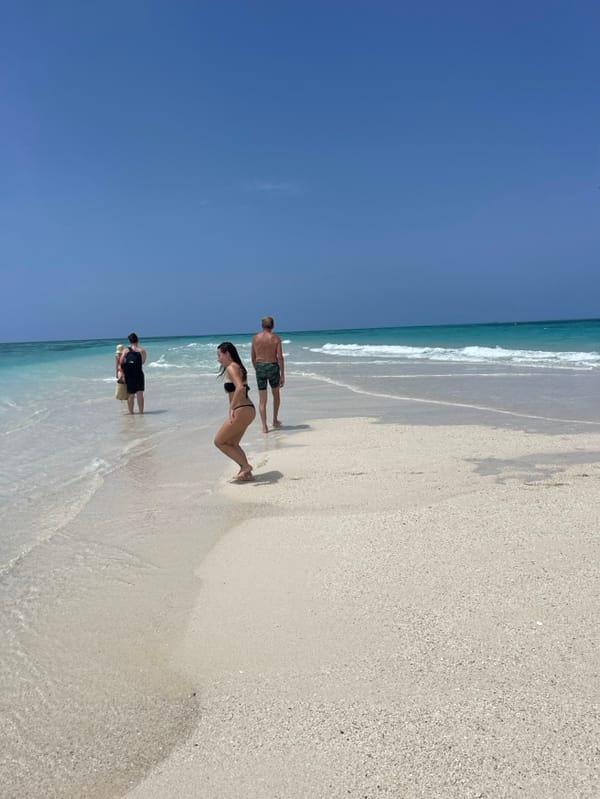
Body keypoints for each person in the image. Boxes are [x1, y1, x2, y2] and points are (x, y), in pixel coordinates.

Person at [214, 342, 256, 481]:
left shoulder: (232, 367)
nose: (218, 359)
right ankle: (246, 473)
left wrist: (232, 407)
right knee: (232, 443)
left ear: (227, 354)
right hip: (248, 410)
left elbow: (240, 388)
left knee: (219, 441)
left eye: (219, 355)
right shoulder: (238, 367)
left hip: (241, 410)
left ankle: (245, 467)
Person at [251, 316, 285, 433]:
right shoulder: (276, 338)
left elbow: (253, 357)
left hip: (260, 367)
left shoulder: (255, 338)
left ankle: (264, 426)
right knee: (276, 395)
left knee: (262, 400)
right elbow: (280, 357)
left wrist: (257, 368)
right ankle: (274, 420)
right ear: (273, 325)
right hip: (273, 367)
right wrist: (282, 374)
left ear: (262, 325)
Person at [120, 332, 147, 414]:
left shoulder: (125, 350)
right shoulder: (142, 351)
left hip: (129, 375)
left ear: (129, 341)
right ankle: (141, 412)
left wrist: (122, 374)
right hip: (138, 374)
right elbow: (143, 362)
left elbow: (121, 362)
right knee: (140, 394)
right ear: (137, 340)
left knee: (131, 395)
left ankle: (131, 413)